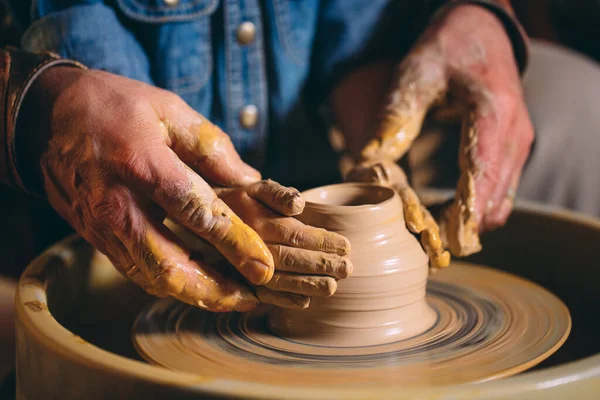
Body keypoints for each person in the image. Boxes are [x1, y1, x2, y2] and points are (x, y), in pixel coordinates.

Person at [0, 1, 539, 311]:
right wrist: (51, 102)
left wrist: (375, 151)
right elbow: (105, 100)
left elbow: (352, 47)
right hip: (114, 233)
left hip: (300, 207)